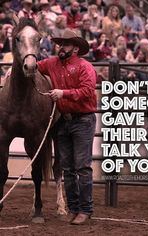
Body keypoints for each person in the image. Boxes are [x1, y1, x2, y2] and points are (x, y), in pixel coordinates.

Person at [37, 29, 97, 225]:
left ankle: (85, 209)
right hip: (63, 120)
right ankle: (74, 207)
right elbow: (33, 67)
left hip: (83, 119)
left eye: (66, 43)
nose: (61, 47)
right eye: (60, 43)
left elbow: (88, 91)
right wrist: (17, 69)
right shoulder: (52, 63)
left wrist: (64, 93)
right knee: (68, 167)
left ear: (76, 48)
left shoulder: (84, 66)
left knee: (82, 167)